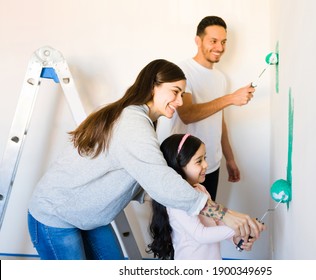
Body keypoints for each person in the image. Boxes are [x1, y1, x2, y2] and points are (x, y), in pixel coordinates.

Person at [27, 59, 263, 260]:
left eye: (182, 93)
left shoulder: (144, 122)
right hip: (55, 216)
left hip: (90, 218)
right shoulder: (132, 123)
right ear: (153, 87)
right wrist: (227, 216)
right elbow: (160, 180)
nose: (180, 101)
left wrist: (231, 226)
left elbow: (147, 180)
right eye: (175, 92)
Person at [157, 16, 255, 201]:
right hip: (185, 165)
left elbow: (220, 121)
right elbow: (187, 114)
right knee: (185, 225)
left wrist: (230, 158)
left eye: (224, 42)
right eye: (213, 41)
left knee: (209, 222)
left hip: (211, 165)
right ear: (198, 40)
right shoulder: (182, 71)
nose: (220, 47)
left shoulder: (220, 78)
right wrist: (231, 98)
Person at [147, 134, 258, 259]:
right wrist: (238, 228)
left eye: (204, 158)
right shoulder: (176, 201)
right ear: (179, 165)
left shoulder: (201, 189)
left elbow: (217, 221)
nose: (206, 164)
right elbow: (201, 234)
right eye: (199, 161)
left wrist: (236, 238)